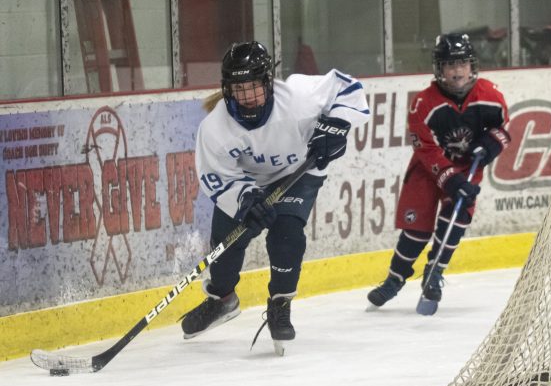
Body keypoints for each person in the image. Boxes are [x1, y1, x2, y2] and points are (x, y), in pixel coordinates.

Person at [182, 41, 369, 352]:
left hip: (298, 174)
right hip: (248, 184)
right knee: (225, 247)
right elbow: (217, 178)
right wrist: (245, 201)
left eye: (254, 86)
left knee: (287, 235)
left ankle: (280, 305)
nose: (247, 97)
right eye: (239, 89)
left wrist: (337, 125)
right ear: (227, 89)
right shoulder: (214, 128)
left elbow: (348, 88)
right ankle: (222, 298)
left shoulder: (298, 97)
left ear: (268, 82)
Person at [367, 33, 511, 313]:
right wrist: (449, 177)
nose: (457, 71)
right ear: (439, 69)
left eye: (463, 64)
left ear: (472, 66)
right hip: (427, 171)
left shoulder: (491, 95)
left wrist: (490, 144)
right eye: (450, 65)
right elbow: (426, 148)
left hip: (467, 166)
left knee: (455, 219)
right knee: (416, 230)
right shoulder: (424, 103)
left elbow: (503, 129)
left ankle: (434, 273)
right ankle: (395, 279)